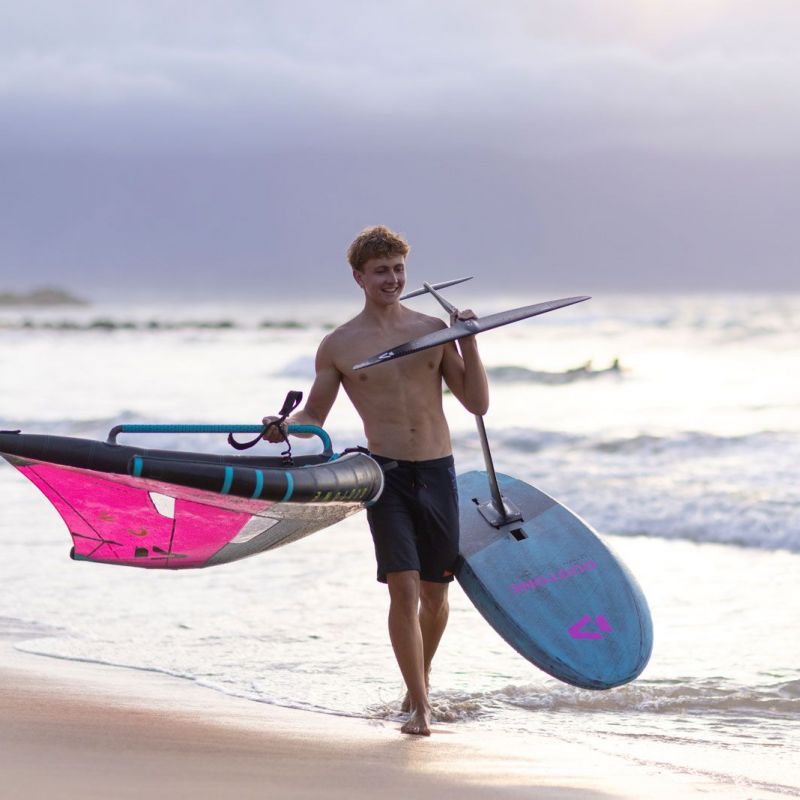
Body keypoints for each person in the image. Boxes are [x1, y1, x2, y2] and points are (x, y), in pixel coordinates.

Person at [263, 225, 489, 736]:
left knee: (436, 593)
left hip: (437, 470)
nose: (392, 279)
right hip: (383, 473)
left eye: (399, 269)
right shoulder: (340, 345)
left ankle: (417, 687)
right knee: (403, 589)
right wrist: (283, 429)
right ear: (359, 277)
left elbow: (476, 403)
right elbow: (314, 417)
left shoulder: (432, 327)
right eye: (382, 271)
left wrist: (469, 342)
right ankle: (422, 710)